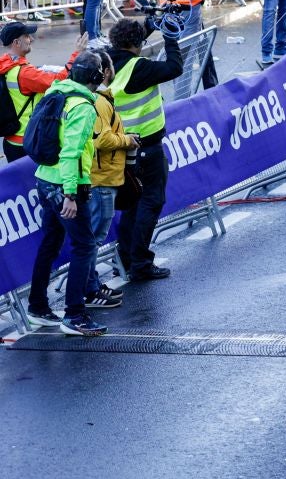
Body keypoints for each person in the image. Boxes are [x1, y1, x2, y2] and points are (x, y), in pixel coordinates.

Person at [24, 51, 107, 336]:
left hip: (45, 180)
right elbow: (71, 152)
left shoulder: (56, 93)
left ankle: (37, 307)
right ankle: (75, 315)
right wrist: (70, 194)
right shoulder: (83, 106)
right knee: (84, 247)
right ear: (98, 77)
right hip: (66, 186)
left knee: (50, 243)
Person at [108, 18, 183, 281]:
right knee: (151, 201)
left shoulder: (107, 60)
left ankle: (126, 258)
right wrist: (170, 35)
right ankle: (140, 262)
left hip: (119, 148)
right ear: (137, 44)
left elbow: (130, 43)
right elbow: (174, 67)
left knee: (131, 205)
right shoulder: (138, 68)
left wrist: (149, 25)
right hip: (146, 148)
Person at [83, 49, 137, 310]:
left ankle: (90, 286)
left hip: (102, 177)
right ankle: (89, 289)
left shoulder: (100, 98)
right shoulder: (99, 102)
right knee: (93, 238)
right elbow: (101, 139)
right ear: (105, 71)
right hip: (102, 180)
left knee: (92, 237)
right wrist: (127, 140)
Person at [0, 22, 87, 162]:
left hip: (11, 139)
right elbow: (60, 81)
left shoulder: (5, 64)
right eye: (27, 36)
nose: (32, 39)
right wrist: (77, 53)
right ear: (16, 42)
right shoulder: (24, 73)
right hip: (28, 141)